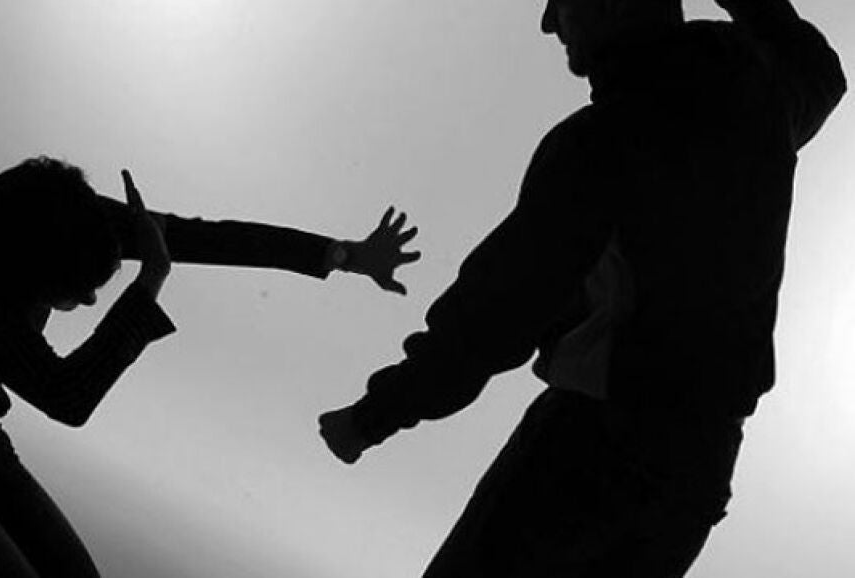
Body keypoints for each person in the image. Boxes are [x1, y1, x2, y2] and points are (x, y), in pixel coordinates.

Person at [319, 0, 845, 576]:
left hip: (593, 456)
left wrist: (373, 416)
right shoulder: (759, 102)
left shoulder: (606, 140)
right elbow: (818, 70)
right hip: (696, 477)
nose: (549, 23)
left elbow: (492, 320)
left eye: (560, 1)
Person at [0, 156, 419, 577]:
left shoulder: (63, 217)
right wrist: (150, 281)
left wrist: (343, 255)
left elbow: (201, 239)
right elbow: (68, 397)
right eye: (76, 290)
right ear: (30, 268)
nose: (88, 301)